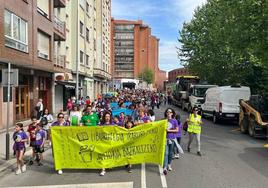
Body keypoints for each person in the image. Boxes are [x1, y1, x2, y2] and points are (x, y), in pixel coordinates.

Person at [163, 108, 178, 175]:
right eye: (167, 112)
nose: (168, 113)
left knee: (170, 153)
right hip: (165, 139)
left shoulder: (174, 121)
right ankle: (165, 167)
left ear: (172, 113)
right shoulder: (163, 120)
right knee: (165, 153)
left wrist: (169, 131)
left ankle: (169, 164)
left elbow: (176, 130)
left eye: (170, 112)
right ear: (166, 113)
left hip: (172, 139)